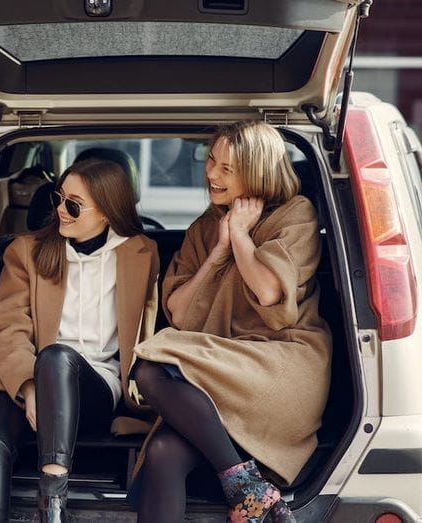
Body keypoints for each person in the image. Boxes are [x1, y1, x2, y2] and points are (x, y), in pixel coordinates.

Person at [129, 120, 331, 522]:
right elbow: (182, 314)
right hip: (217, 371)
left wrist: (241, 235)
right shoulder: (205, 228)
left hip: (280, 365)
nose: (211, 175)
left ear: (256, 170)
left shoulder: (296, 215)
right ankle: (248, 487)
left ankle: (244, 485)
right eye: (211, 162)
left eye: (226, 168)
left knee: (151, 370)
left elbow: (270, 291)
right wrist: (219, 250)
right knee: (162, 452)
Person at [0, 159, 160, 522]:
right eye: (60, 197)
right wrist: (29, 389)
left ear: (106, 212)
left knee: (58, 357)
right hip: (24, 378)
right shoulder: (27, 251)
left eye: (73, 204)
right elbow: (8, 328)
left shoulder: (141, 254)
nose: (60, 209)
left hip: (97, 385)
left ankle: (52, 503)